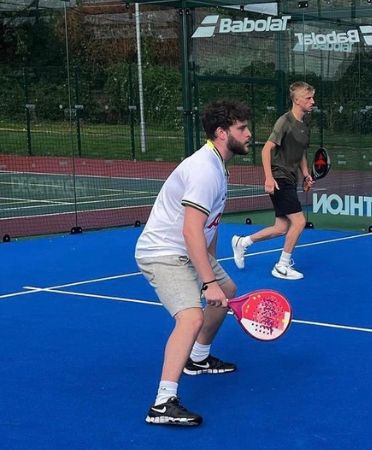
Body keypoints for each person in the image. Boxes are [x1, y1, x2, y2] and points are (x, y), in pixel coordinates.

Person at [135, 100, 252, 426]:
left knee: (228, 290)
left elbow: (209, 225)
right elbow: (190, 229)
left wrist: (211, 272)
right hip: (162, 252)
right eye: (242, 128)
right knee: (191, 318)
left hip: (185, 248)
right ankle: (162, 404)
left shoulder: (218, 165)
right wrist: (207, 283)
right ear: (221, 132)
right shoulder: (205, 170)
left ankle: (197, 359)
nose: (249, 134)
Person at [231, 81, 315, 280]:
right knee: (299, 221)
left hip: (291, 178)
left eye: (312, 97)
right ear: (297, 100)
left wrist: (306, 175)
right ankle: (282, 266)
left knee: (281, 228)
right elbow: (266, 149)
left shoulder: (304, 126)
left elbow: (301, 154)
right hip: (279, 177)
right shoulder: (284, 121)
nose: (312, 101)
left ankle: (242, 242)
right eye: (308, 98)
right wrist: (269, 178)